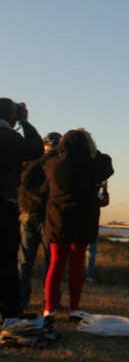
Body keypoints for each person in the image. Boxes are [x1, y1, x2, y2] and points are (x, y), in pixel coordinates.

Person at [43, 129, 114, 319]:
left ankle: (49, 308)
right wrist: (92, 148)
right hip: (83, 218)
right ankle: (74, 308)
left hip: (58, 218)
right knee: (77, 264)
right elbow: (107, 164)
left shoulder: (52, 165)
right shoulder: (92, 165)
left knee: (56, 263)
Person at [0, 99, 43, 321]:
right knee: (7, 261)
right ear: (11, 116)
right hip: (3, 207)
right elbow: (35, 149)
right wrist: (25, 122)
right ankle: (10, 313)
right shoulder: (9, 137)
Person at [17, 132, 61, 312]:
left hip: (27, 214)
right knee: (52, 262)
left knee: (24, 261)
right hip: (47, 216)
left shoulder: (29, 163)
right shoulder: (55, 165)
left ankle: (20, 299)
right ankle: (51, 301)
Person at [85, 180, 110, 283]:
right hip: (91, 227)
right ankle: (89, 276)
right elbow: (105, 201)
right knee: (91, 253)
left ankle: (79, 275)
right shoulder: (95, 195)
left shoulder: (82, 192)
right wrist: (104, 189)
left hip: (81, 226)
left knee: (76, 251)